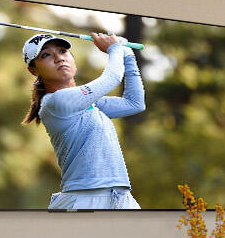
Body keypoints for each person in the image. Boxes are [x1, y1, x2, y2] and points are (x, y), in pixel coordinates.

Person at [22, 29, 147, 209]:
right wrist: (114, 48)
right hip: (85, 198)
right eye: (46, 55)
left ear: (73, 60)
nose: (59, 58)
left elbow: (134, 103)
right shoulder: (56, 101)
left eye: (63, 51)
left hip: (121, 196)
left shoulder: (90, 103)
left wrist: (127, 55)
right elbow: (112, 78)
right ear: (34, 70)